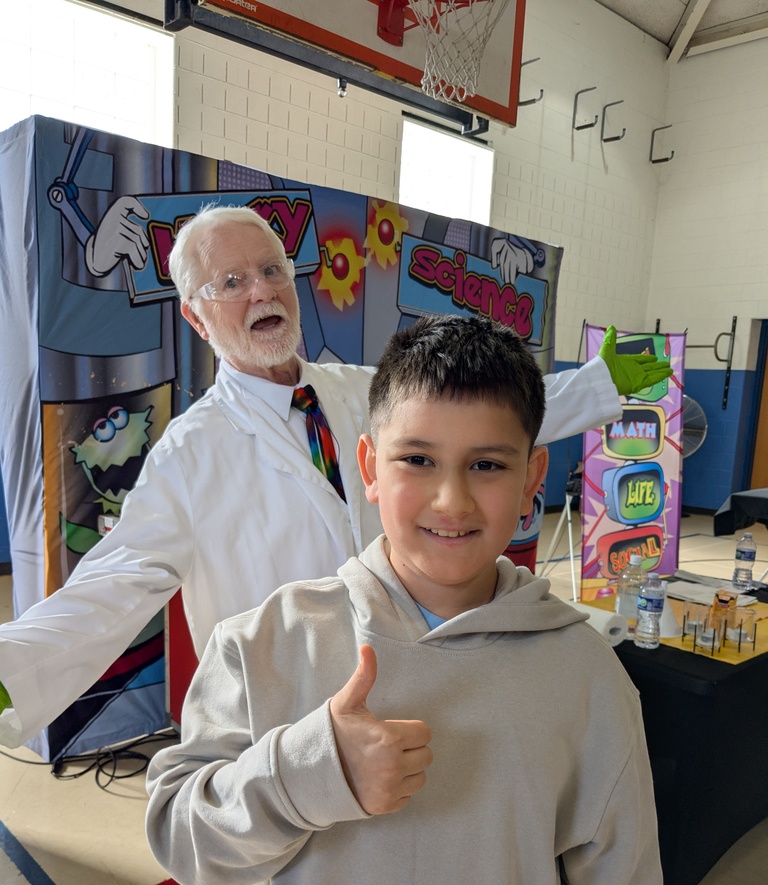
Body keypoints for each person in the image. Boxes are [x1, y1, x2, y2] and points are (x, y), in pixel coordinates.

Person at [145, 313, 665, 885]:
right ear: (368, 469)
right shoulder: (266, 640)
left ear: (531, 477)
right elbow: (183, 840)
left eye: (487, 464)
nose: (451, 500)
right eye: (417, 460)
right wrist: (303, 773)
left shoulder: (586, 676)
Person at [0, 204, 670, 749]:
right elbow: (111, 584)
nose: (260, 290)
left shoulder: (365, 391)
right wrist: (13, 669)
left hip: (411, 671)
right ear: (195, 316)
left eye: (270, 270)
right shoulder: (190, 455)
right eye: (230, 283)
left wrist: (599, 385)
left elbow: (484, 421)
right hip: (290, 713)